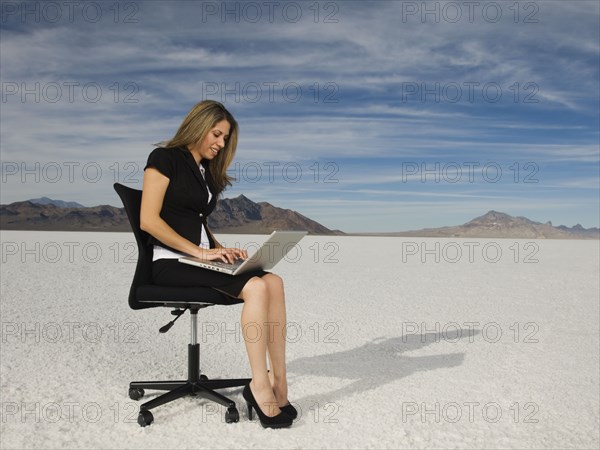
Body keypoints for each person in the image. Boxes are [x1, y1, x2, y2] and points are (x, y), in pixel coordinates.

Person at [140, 100, 295, 429]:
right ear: (198, 126)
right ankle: (259, 385)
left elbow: (194, 220)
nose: (221, 144)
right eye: (217, 134)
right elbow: (149, 220)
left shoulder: (204, 173)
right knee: (255, 287)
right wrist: (200, 253)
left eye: (225, 139)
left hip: (195, 258)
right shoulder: (164, 159)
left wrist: (220, 249)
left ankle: (280, 384)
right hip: (168, 263)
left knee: (274, 282)